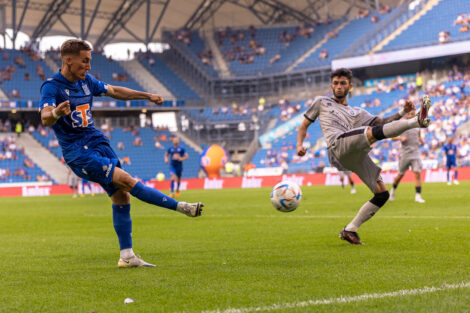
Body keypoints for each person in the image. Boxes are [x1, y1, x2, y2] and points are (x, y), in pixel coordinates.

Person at [39, 39, 203, 268]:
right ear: (68, 59)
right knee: (126, 180)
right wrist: (56, 112)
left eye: (89, 61)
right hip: (78, 152)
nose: (88, 65)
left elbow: (115, 91)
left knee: (121, 196)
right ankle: (180, 207)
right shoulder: (52, 86)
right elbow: (45, 117)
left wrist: (147, 96)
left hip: (98, 143)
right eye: (84, 60)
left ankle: (126, 256)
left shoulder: (86, 82)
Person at [297, 68, 431, 245]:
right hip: (337, 146)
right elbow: (303, 126)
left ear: (350, 87)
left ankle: (350, 229)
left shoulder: (357, 112)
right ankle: (416, 121)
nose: (338, 86)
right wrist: (299, 145)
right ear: (331, 85)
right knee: (369, 133)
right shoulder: (321, 102)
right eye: (335, 83)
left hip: (353, 154)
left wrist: (400, 113)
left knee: (382, 194)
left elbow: (381, 123)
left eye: (342, 83)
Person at [389, 109, 425, 203]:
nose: (411, 115)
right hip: (405, 154)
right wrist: (400, 138)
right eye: (409, 113)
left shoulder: (417, 127)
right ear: (406, 115)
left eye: (413, 114)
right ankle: (392, 191)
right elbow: (392, 137)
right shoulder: (402, 126)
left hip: (416, 153)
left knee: (417, 174)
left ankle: (418, 196)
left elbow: (419, 136)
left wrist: (421, 141)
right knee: (400, 175)